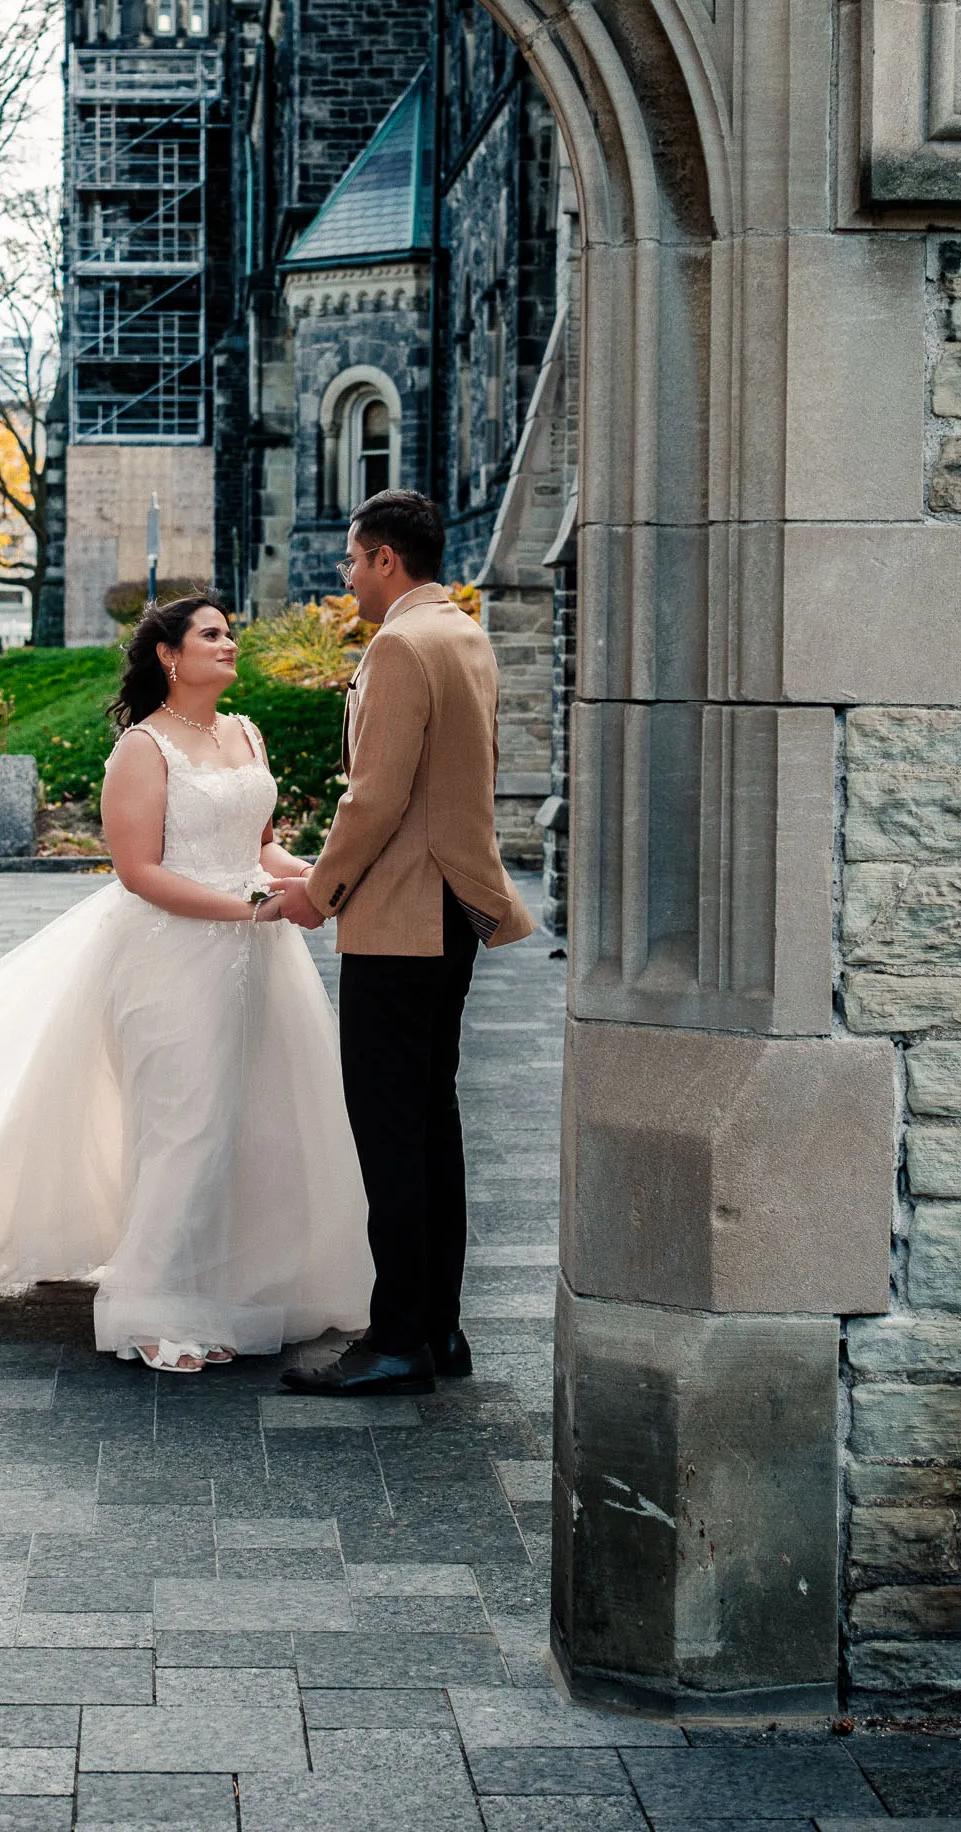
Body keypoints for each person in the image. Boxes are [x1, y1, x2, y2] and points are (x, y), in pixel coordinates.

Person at [0, 592, 371, 1375]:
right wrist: (253, 910)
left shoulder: (246, 733)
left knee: (253, 1119)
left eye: (230, 633)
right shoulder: (143, 747)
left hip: (258, 958)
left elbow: (261, 846)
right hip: (173, 956)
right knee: (185, 1125)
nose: (230, 643)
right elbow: (138, 872)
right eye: (212, 634)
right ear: (170, 655)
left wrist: (317, 879)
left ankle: (229, 1281)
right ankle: (148, 1306)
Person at [275, 490, 535, 1398]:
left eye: (352, 561)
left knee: (392, 1136)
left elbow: (374, 798)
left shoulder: (399, 645)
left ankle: (396, 1342)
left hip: (398, 918)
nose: (346, 578)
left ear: (386, 559)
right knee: (430, 1127)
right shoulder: (463, 633)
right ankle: (438, 1330)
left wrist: (317, 893)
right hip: (450, 913)